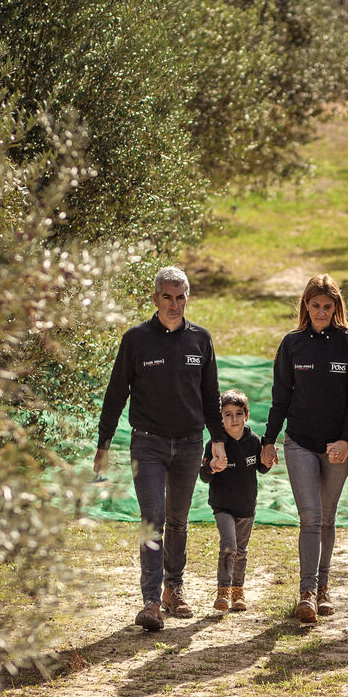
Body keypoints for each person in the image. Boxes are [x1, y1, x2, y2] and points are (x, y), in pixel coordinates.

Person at [94, 267, 226, 631]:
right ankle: (150, 601)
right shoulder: (136, 340)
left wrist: (217, 441)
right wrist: (104, 444)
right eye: (167, 297)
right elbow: (115, 394)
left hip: (189, 443)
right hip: (147, 443)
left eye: (180, 297)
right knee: (152, 519)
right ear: (155, 298)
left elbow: (211, 395)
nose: (174, 304)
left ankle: (173, 589)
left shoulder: (201, 339)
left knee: (178, 520)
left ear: (188, 299)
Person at [261, 274, 348, 625]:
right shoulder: (292, 344)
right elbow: (280, 397)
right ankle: (306, 593)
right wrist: (269, 440)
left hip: (338, 446)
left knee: (327, 516)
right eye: (315, 305)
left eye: (327, 306)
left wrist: (346, 440)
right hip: (300, 442)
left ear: (336, 307)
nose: (321, 312)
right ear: (305, 306)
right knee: (310, 516)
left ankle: (323, 588)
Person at [199, 389, 272, 613]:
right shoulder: (215, 444)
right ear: (221, 418)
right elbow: (204, 475)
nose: (234, 419)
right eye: (228, 414)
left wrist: (267, 462)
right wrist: (212, 467)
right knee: (229, 545)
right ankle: (223, 591)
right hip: (222, 506)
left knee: (241, 550)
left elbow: (261, 468)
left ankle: (237, 591)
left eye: (239, 414)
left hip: (246, 507)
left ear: (246, 415)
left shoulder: (254, 441)